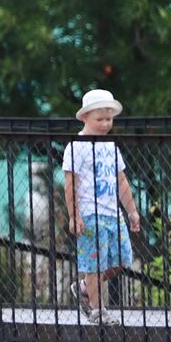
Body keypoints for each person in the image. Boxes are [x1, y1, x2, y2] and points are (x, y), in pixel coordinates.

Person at [62, 88, 141, 324]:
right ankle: (98, 310)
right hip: (89, 214)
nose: (106, 124)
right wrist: (74, 215)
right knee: (94, 263)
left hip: (112, 214)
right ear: (85, 117)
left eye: (109, 119)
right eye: (100, 119)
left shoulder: (110, 145)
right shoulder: (77, 146)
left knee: (122, 260)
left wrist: (132, 210)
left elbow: (121, 180)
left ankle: (85, 286)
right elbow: (70, 184)